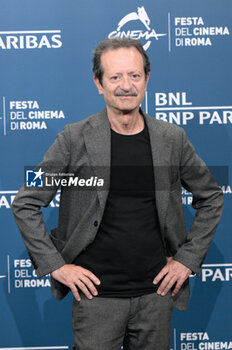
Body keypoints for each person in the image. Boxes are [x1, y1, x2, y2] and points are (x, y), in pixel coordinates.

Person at [12, 38, 223, 350]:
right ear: (98, 84)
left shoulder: (172, 138)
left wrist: (187, 259)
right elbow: (26, 201)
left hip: (157, 296)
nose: (126, 85)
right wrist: (56, 265)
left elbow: (212, 196)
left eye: (135, 75)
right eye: (115, 77)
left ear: (147, 79)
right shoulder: (73, 138)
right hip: (96, 299)